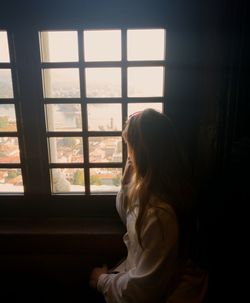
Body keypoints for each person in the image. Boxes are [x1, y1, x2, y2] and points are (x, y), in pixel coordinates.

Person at [89, 109, 208, 303]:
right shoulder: (157, 192)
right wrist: (126, 183)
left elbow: (143, 291)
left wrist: (103, 281)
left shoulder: (160, 215)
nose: (128, 156)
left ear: (141, 154)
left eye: (129, 147)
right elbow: (129, 215)